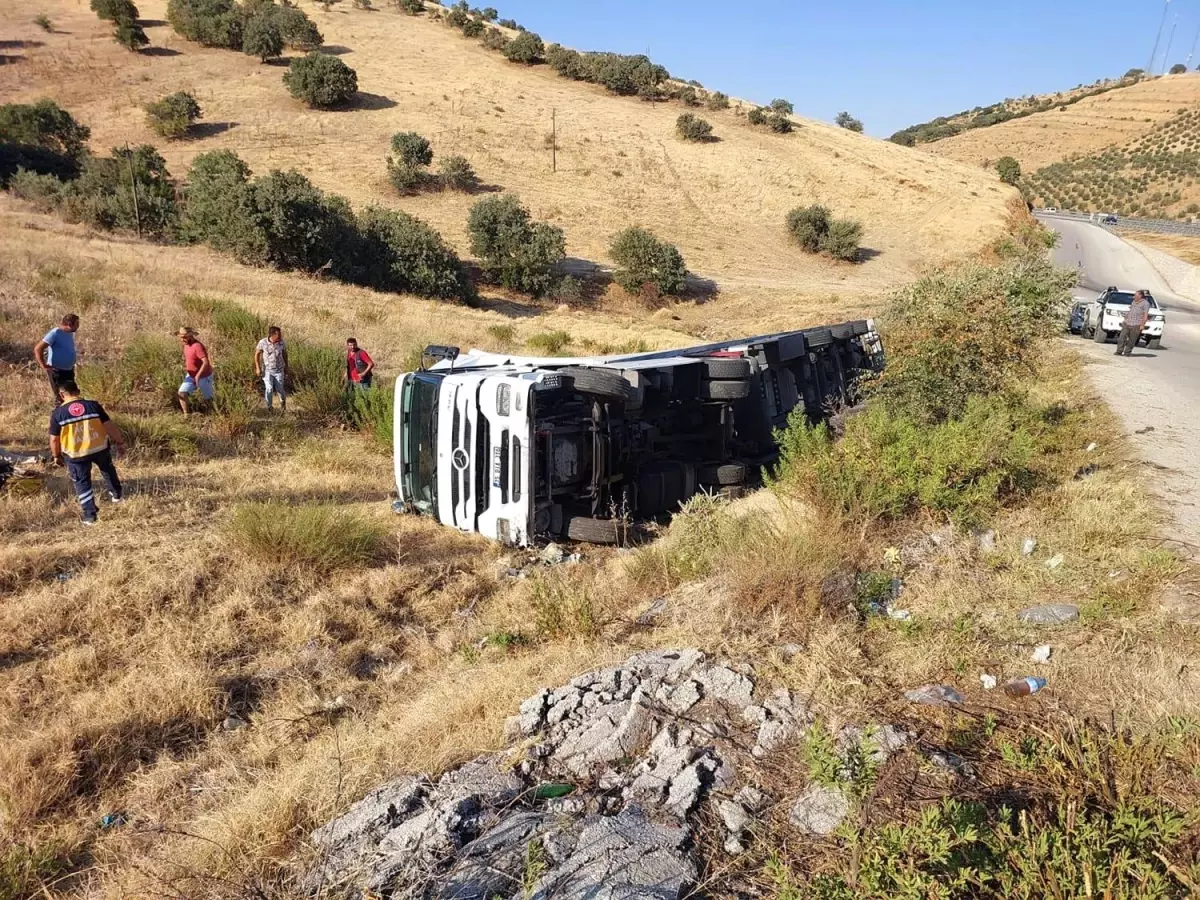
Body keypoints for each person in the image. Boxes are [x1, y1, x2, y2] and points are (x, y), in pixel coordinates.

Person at [48, 379, 125, 526]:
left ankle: (90, 516)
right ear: (78, 392)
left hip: (75, 454)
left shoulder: (58, 414)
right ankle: (117, 495)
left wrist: (56, 456)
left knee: (82, 482)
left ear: (62, 395)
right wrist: (120, 442)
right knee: (108, 469)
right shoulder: (93, 406)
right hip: (99, 448)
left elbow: (54, 440)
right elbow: (109, 426)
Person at [33, 313, 80, 404]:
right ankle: (60, 416)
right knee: (61, 396)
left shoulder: (69, 333)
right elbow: (38, 348)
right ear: (70, 324)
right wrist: (44, 366)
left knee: (72, 395)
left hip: (69, 370)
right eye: (77, 324)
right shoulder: (55, 333)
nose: (78, 326)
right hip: (57, 371)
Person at [176, 327, 214, 415]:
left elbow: (206, 362)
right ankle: (187, 415)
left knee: (208, 400)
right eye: (181, 337)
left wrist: (198, 376)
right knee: (182, 393)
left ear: (191, 336)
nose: (182, 339)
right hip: (191, 375)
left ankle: (212, 415)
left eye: (185, 337)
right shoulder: (186, 345)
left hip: (204, 376)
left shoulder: (197, 346)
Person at [254, 325, 290, 412]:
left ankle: (283, 404)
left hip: (279, 369)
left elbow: (284, 354)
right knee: (269, 388)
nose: (280, 336)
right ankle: (269, 407)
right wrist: (258, 368)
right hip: (267, 370)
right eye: (278, 334)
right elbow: (257, 354)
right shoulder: (263, 342)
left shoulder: (281, 342)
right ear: (272, 335)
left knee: (280, 388)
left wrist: (286, 366)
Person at [1116, 290, 1151, 357]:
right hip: (1127, 322)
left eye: (1135, 295)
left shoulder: (1146, 304)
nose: (1133, 296)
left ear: (1140, 296)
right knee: (1121, 337)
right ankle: (1119, 351)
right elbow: (1131, 310)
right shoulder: (1134, 302)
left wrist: (1142, 325)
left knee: (1132, 340)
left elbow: (1145, 315)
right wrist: (1126, 318)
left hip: (1136, 324)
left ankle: (1127, 352)